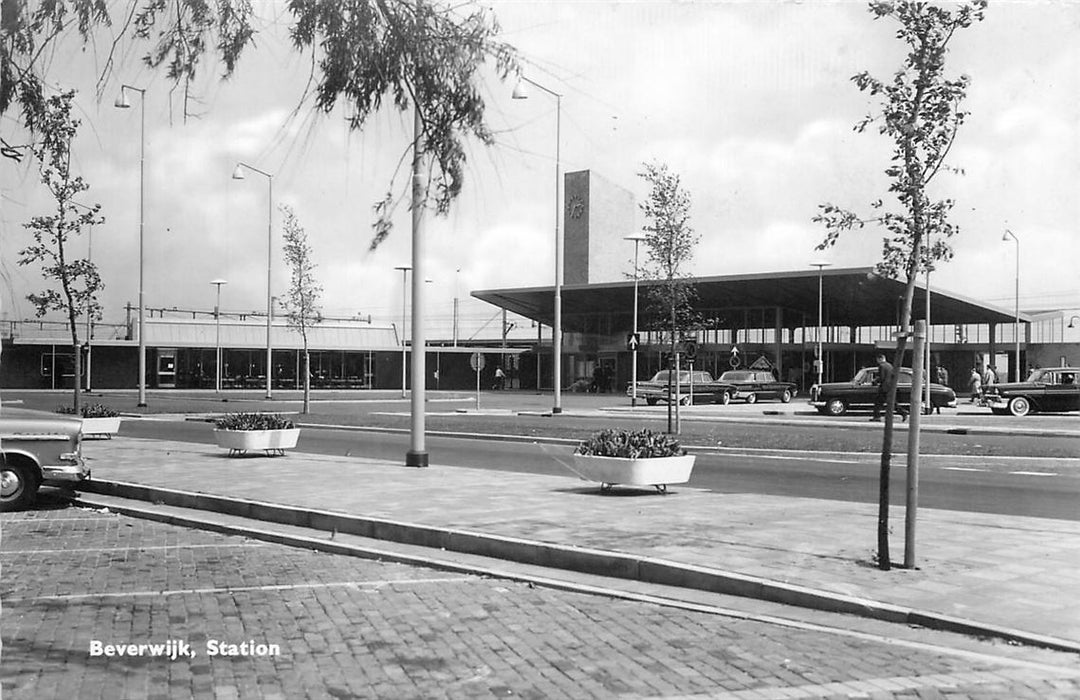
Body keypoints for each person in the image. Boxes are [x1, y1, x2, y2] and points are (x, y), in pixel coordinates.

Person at [871, 353, 907, 422]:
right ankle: (902, 412)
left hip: (884, 387)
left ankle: (877, 417)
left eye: (877, 360)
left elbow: (882, 377)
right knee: (892, 402)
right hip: (890, 387)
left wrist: (875, 381)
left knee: (878, 402)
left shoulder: (881, 366)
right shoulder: (890, 365)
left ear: (880, 359)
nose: (877, 361)